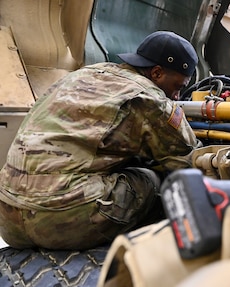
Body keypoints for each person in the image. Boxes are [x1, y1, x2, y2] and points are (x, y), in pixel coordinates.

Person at [0, 31, 202, 250]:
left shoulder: (82, 74)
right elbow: (189, 162)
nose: (177, 97)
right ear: (156, 73)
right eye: (178, 87)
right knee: (154, 180)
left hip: (8, 219)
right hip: (58, 221)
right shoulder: (149, 98)